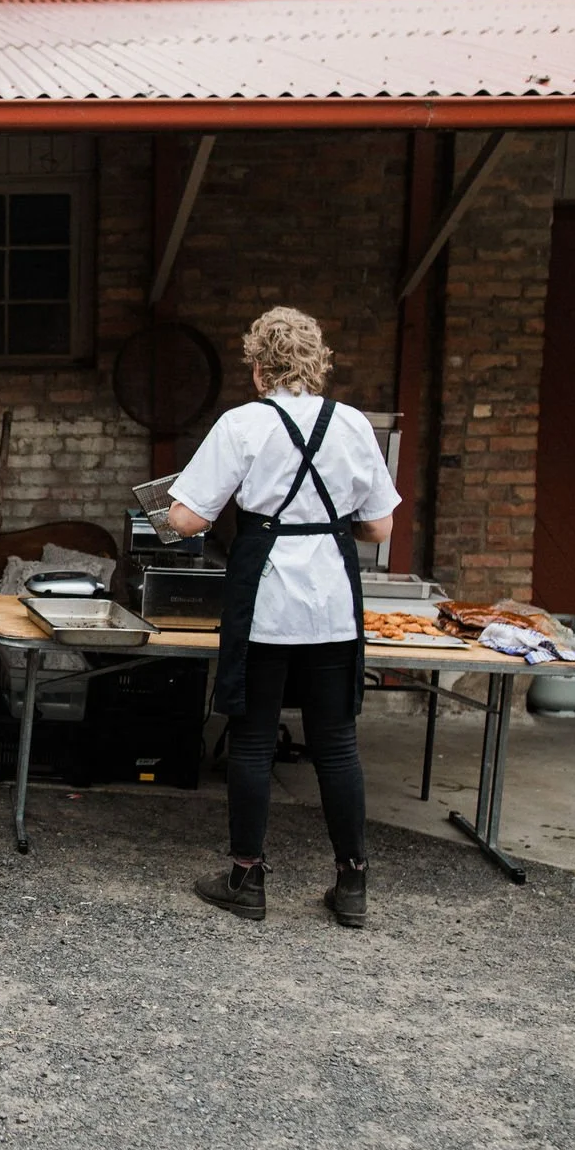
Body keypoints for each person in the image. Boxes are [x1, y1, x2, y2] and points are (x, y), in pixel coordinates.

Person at [164, 306, 399, 928]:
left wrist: (174, 505)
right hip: (332, 603)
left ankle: (247, 880)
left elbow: (187, 519)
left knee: (253, 739)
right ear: (318, 363)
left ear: (259, 367)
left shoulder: (242, 424)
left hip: (266, 599)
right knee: (337, 743)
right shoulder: (352, 425)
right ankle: (352, 884)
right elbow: (378, 526)